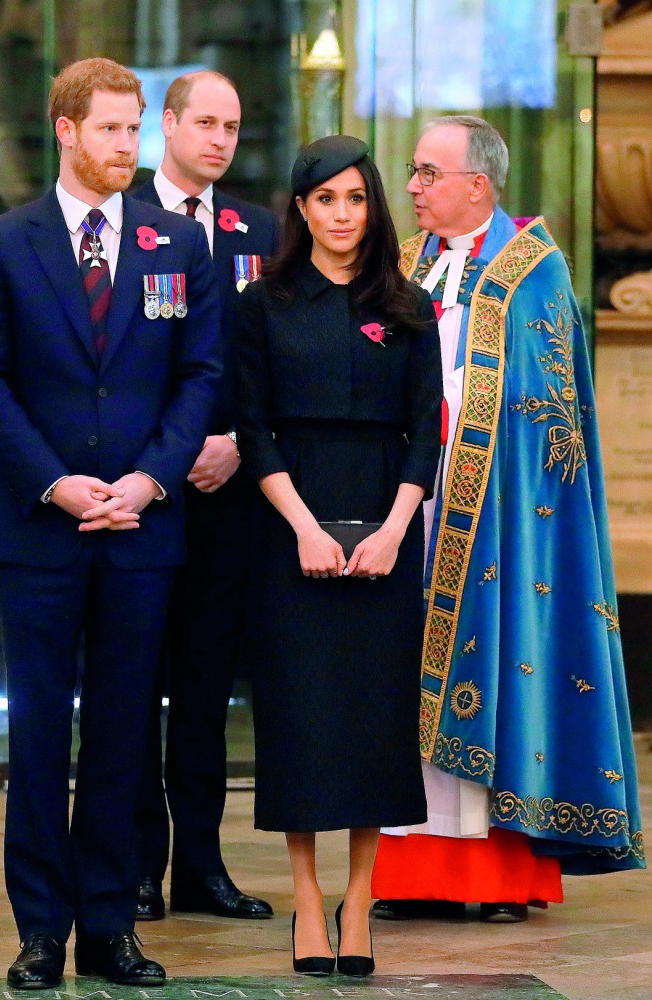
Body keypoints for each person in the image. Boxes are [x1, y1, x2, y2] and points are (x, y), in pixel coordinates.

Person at [0, 58, 221, 988]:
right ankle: (41, 931)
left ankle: (111, 925)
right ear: (66, 130)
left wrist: (150, 480)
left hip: (143, 531)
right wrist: (57, 484)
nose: (129, 146)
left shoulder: (175, 243)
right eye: (111, 129)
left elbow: (199, 374)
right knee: (37, 736)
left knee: (120, 733)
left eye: (135, 127)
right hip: (39, 533)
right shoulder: (2, 243)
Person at [371, 115, 645, 924]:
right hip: (414, 507)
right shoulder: (412, 262)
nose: (413, 187)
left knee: (503, 661)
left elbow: (548, 410)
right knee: (402, 676)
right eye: (415, 173)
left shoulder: (535, 271)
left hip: (500, 517)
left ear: (477, 186)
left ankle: (496, 874)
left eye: (427, 173)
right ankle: (408, 869)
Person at [234, 135, 443, 976]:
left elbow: (425, 428)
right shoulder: (263, 302)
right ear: (301, 209)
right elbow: (252, 429)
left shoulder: (409, 303)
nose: (343, 215)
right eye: (326, 200)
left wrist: (394, 532)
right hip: (292, 522)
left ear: (374, 206)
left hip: (387, 518)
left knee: (371, 715)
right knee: (300, 713)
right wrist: (305, 529)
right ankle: (309, 900)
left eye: (356, 200)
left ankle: (361, 899)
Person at [132, 69, 280, 921]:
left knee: (204, 691)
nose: (220, 139)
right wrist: (169, 454)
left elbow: (267, 362)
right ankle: (140, 866)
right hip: (147, 492)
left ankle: (203, 866)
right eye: (206, 122)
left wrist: (236, 445)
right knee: (137, 686)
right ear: (169, 125)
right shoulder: (130, 223)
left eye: (233, 124)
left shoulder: (258, 229)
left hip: (229, 493)